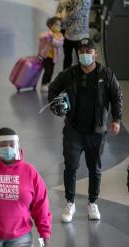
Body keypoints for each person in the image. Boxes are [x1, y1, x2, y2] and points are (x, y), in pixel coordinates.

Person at [48, 38, 123, 222]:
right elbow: (53, 89)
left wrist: (117, 119)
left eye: (88, 52)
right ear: (77, 55)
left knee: (95, 169)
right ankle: (70, 203)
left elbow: (116, 96)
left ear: (95, 54)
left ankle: (92, 203)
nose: (85, 55)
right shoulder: (69, 74)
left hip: (97, 132)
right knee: (71, 167)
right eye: (81, 52)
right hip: (73, 130)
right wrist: (56, 105)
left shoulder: (106, 74)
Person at [56, 0, 91, 69]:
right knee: (67, 59)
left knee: (83, 62)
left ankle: (82, 79)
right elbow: (59, 11)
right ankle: (66, 78)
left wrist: (62, 21)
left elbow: (76, 14)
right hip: (68, 35)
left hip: (81, 37)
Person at [38, 16, 64, 92]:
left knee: (51, 71)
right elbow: (41, 37)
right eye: (56, 24)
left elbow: (59, 43)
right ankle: (43, 84)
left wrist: (52, 40)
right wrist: (45, 37)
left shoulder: (60, 35)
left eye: (59, 25)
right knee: (47, 71)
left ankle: (48, 83)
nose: (58, 27)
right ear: (50, 25)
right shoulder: (48, 33)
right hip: (45, 56)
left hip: (54, 57)